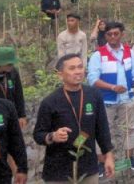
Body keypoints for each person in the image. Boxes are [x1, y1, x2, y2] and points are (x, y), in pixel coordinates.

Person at [34, 54, 115, 183]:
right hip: (59, 171)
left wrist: (108, 156)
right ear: (60, 75)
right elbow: (38, 134)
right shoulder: (50, 102)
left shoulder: (94, 95)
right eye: (72, 68)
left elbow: (102, 129)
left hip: (88, 168)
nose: (77, 71)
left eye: (80, 67)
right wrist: (52, 136)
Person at [87, 21, 134, 172]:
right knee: (104, 131)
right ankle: (101, 162)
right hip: (106, 100)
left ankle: (129, 159)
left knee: (129, 129)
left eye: (116, 34)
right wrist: (112, 87)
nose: (112, 37)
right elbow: (93, 79)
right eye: (109, 34)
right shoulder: (98, 55)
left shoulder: (129, 52)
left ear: (122, 34)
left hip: (127, 98)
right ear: (105, 36)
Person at [0, 47, 27, 130]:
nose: (11, 66)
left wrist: (22, 115)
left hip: (11, 112)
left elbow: (19, 94)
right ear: (0, 63)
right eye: (9, 64)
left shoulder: (13, 72)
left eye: (12, 63)